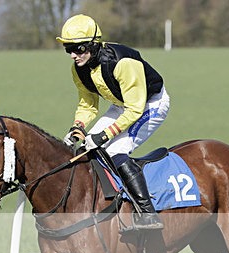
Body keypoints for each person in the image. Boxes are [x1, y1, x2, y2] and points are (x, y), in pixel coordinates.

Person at [57, 14, 169, 231]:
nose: (72, 55)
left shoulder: (123, 62)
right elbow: (88, 103)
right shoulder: (79, 69)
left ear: (92, 44)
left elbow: (135, 109)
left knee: (116, 149)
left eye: (77, 48)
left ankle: (148, 214)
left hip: (149, 103)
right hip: (121, 104)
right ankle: (108, 203)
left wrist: (105, 135)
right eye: (67, 49)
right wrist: (78, 126)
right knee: (88, 147)